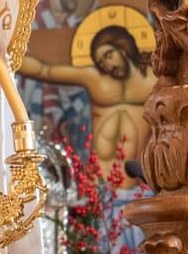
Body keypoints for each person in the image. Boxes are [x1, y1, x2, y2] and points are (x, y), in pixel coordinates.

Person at [18, 23, 152, 164]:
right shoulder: (94, 78)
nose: (108, 66)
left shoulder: (153, 77)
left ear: (123, 49)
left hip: (141, 174)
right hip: (97, 174)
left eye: (109, 55)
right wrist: (9, 57)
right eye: (101, 63)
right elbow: (44, 71)